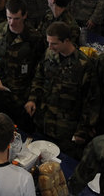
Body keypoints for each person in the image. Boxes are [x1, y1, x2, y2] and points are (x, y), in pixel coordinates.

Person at [26, 21, 95, 156]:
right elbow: (39, 78)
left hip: (66, 131)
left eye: (54, 43)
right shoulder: (49, 54)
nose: (50, 47)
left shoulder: (84, 65)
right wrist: (32, 99)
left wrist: (82, 131)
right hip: (43, 123)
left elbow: (90, 101)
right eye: (48, 43)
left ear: (67, 41)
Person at [0, 0, 45, 130]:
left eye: (16, 18)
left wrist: (32, 98)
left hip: (21, 99)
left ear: (25, 16)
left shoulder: (35, 38)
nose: (12, 23)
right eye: (9, 18)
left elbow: (39, 73)